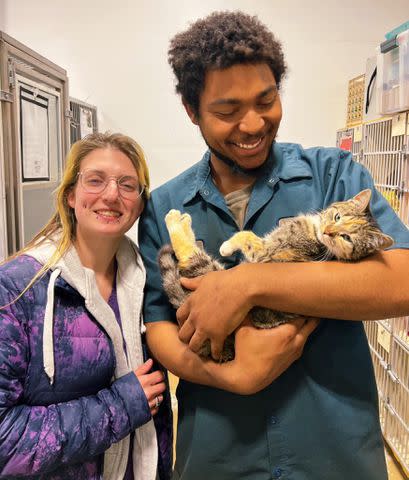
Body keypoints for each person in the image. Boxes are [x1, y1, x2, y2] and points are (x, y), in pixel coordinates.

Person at [138, 11, 409, 480]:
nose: (252, 124)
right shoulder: (165, 206)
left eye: (266, 100)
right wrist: (229, 376)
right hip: (220, 456)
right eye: (226, 111)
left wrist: (251, 283)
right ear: (191, 111)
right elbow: (159, 327)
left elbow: (400, 281)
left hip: (335, 455)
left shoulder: (333, 176)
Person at [0, 132, 172, 479]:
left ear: (139, 205)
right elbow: (5, 439)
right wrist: (122, 405)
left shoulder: (148, 285)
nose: (111, 194)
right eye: (95, 180)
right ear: (70, 196)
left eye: (127, 185)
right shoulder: (17, 288)